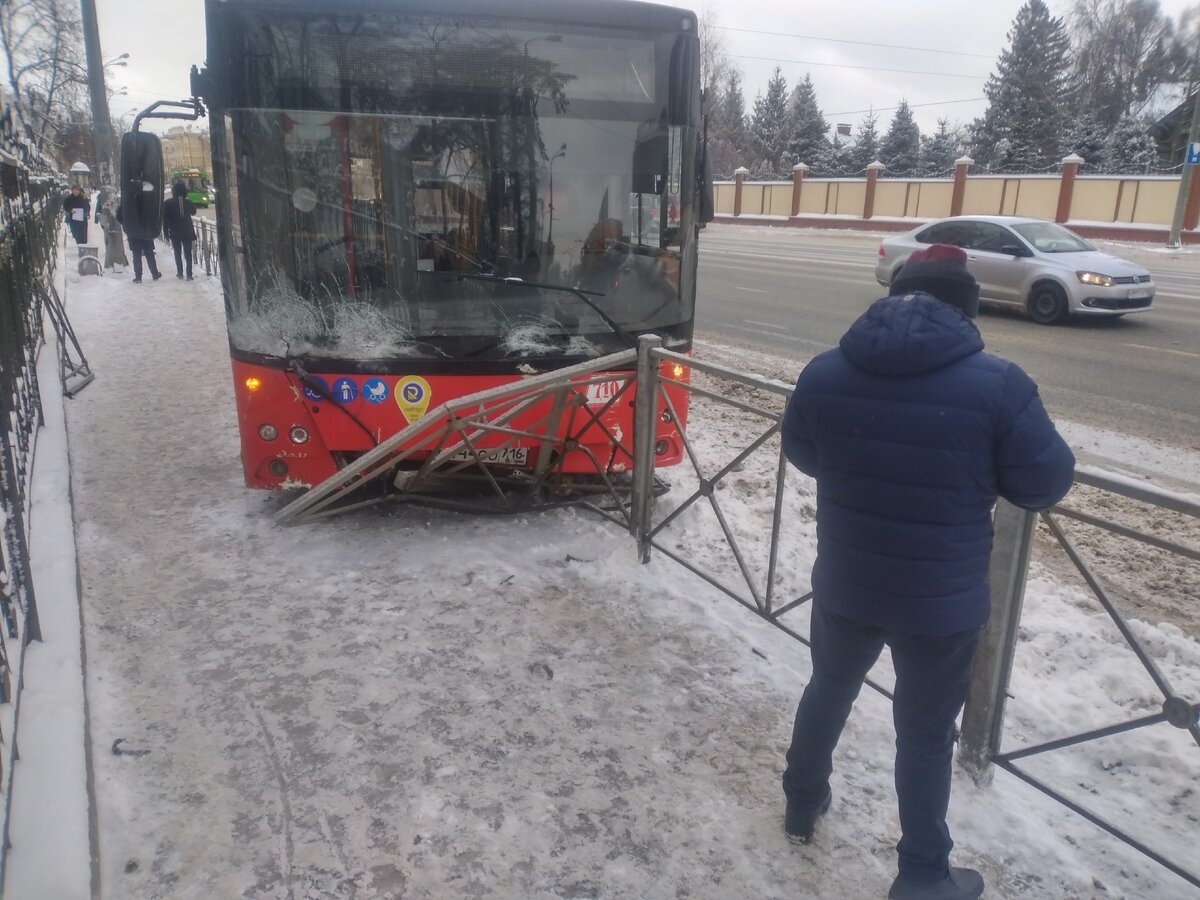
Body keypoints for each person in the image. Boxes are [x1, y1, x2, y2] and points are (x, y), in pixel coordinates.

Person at [779, 244, 1074, 900]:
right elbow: (1045, 482)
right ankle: (921, 871)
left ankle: (801, 803)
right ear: (966, 309)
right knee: (923, 731)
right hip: (939, 603)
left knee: (828, 687)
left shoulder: (827, 372)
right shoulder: (998, 385)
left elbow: (803, 451)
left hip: (847, 582)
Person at [116, 205, 162, 283]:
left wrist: (127, 224)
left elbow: (119, 216)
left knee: (136, 255)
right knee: (149, 254)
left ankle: (138, 277)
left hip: (133, 232)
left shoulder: (127, 202)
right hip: (146, 232)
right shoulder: (146, 200)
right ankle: (155, 274)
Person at [162, 180, 198, 279]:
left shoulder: (168, 203)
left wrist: (166, 233)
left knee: (177, 253)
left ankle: (180, 272)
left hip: (175, 231)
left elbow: (165, 219)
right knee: (188, 254)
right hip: (187, 231)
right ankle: (189, 274)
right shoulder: (188, 202)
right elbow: (194, 212)